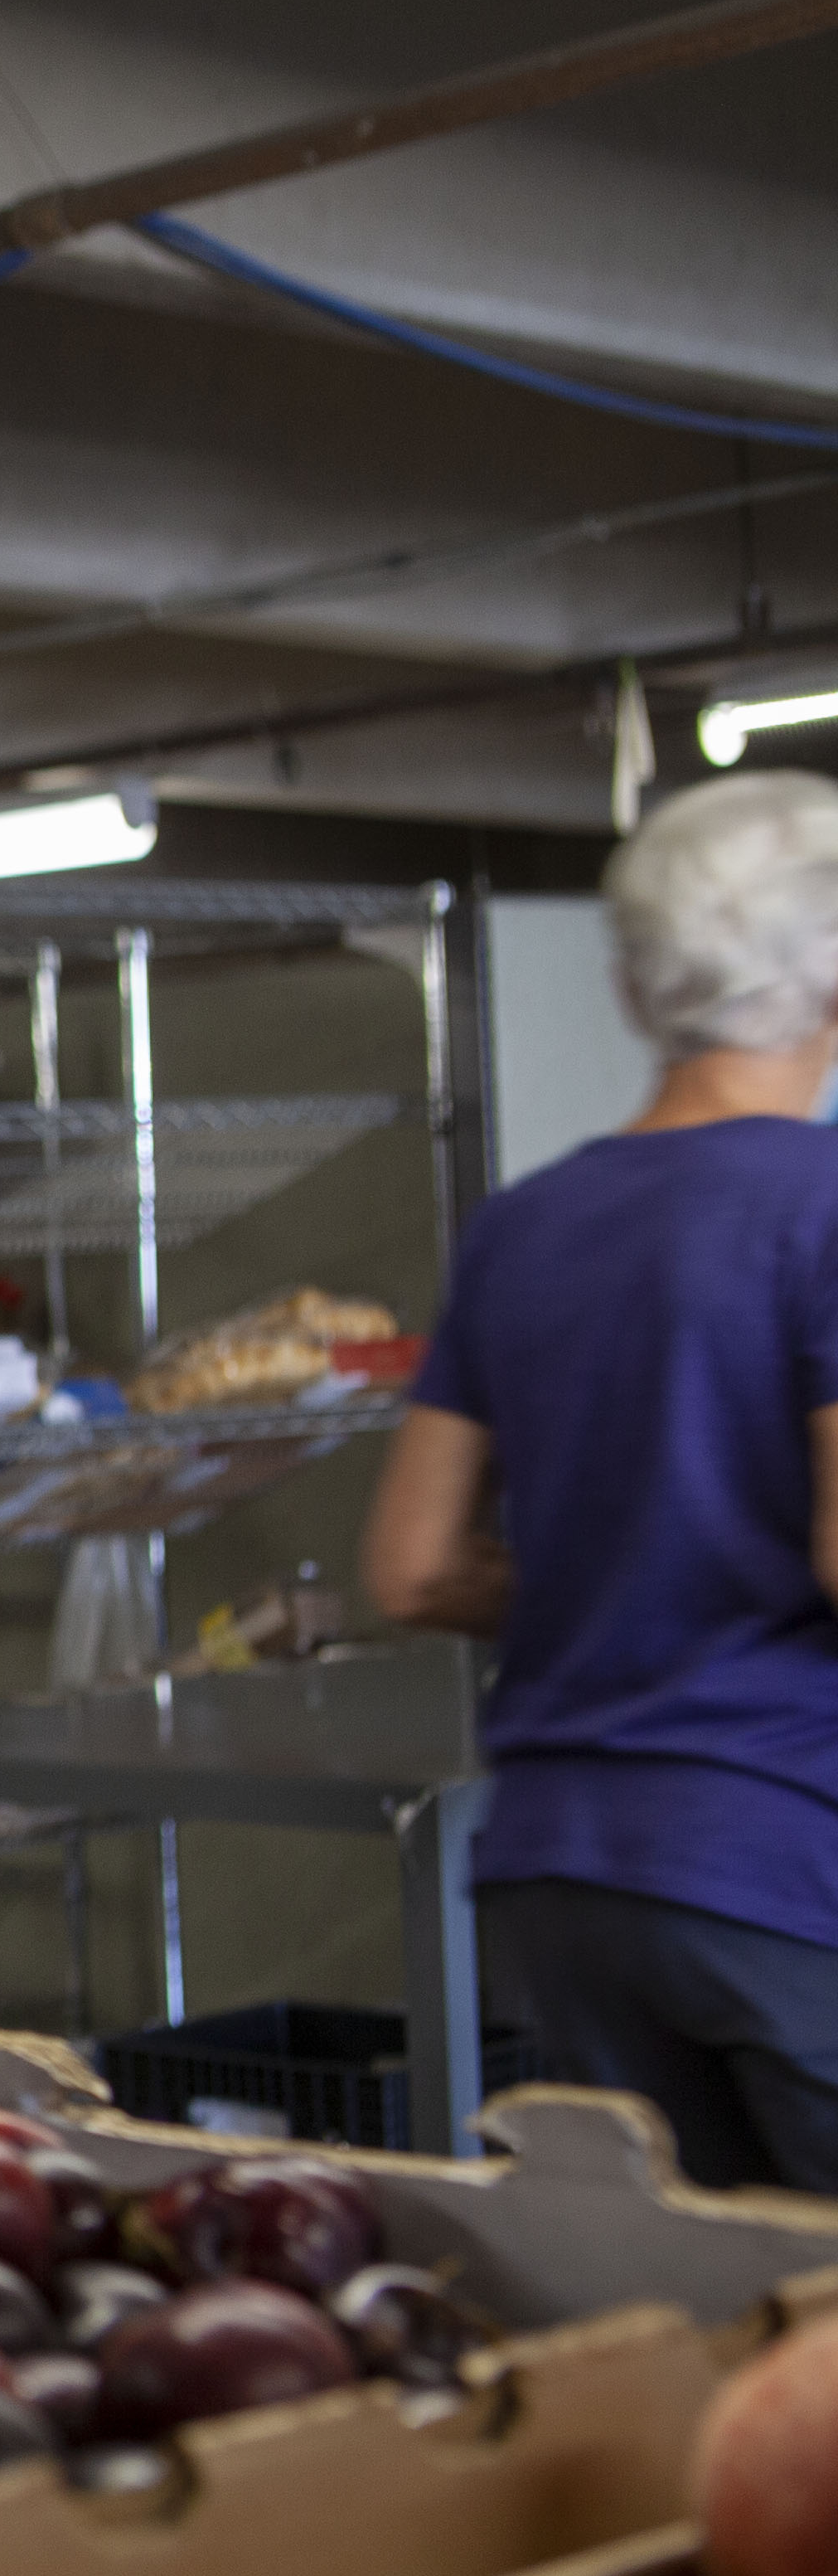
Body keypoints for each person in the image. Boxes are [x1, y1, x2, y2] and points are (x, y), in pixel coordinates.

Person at [362, 767, 838, 2192]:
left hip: (565, 1871)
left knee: (697, 2321)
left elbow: (411, 1566)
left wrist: (628, 1571)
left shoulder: (526, 1225)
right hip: (784, 1856)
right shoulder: (822, 1206)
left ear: (639, 988)